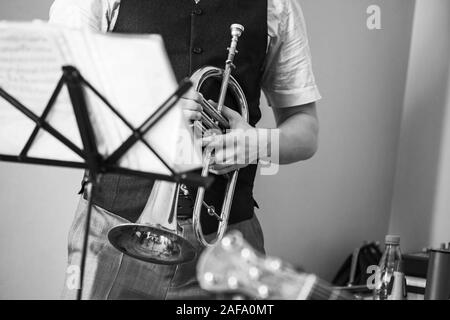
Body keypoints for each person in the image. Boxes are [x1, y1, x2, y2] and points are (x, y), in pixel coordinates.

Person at [50, 0, 321, 299]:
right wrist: (155, 118)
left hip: (225, 246)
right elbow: (64, 108)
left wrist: (256, 144)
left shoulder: (278, 5)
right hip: (114, 230)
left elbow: (306, 131)